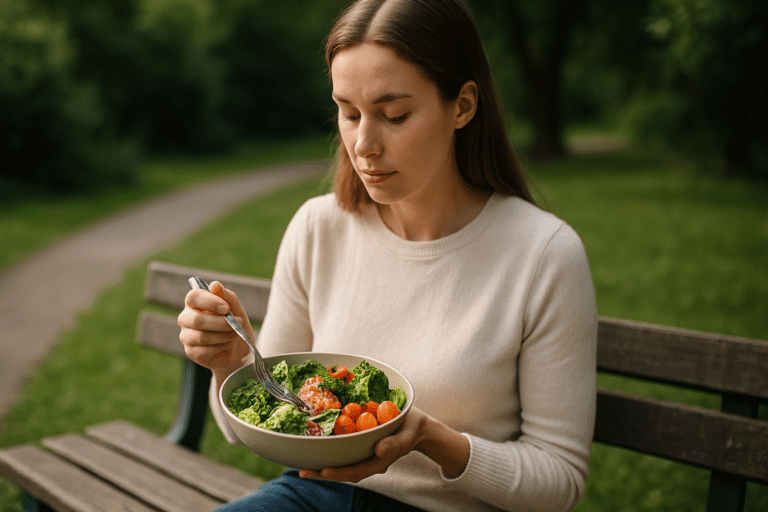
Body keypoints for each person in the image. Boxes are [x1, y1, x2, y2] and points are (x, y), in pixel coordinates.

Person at [178, 0, 597, 510]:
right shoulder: (319, 228)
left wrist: (433, 441)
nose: (363, 145)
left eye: (394, 115)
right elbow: (250, 431)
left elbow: (559, 482)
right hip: (314, 498)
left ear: (462, 106)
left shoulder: (543, 256)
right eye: (349, 113)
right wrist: (232, 365)